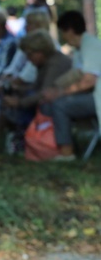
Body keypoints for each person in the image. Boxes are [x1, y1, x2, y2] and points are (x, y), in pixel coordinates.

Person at [40, 10, 101, 161]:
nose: (63, 36)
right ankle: (50, 145)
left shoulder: (91, 45)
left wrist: (60, 93)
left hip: (97, 97)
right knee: (48, 105)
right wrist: (54, 89)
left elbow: (88, 81)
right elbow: (75, 75)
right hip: (92, 95)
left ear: (70, 30)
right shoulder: (80, 48)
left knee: (61, 105)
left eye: (63, 32)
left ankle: (67, 152)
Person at [2, 29, 72, 155]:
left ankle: (27, 140)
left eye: (30, 54)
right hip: (54, 99)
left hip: (59, 103)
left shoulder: (55, 64)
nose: (28, 59)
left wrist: (19, 103)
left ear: (40, 52)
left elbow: (43, 93)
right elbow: (37, 88)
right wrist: (17, 89)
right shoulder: (46, 63)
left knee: (33, 103)